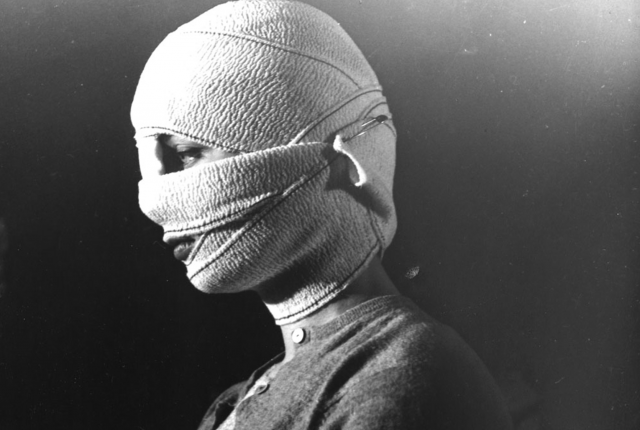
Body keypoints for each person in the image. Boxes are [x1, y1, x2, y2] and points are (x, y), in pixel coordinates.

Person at [130, 1, 513, 429]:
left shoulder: (401, 376)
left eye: (186, 154)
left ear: (341, 158)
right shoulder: (246, 396)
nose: (153, 199)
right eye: (150, 162)